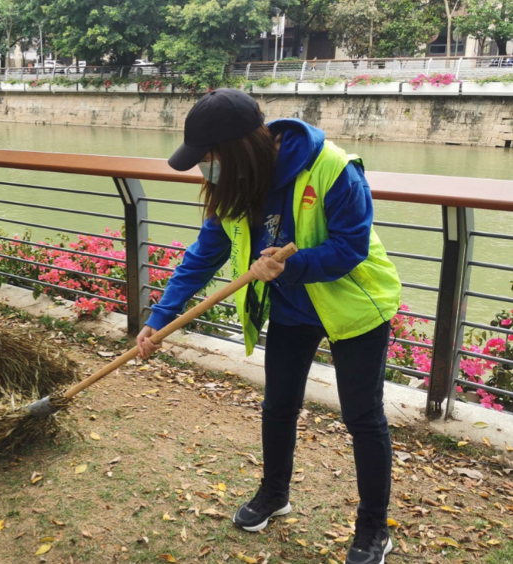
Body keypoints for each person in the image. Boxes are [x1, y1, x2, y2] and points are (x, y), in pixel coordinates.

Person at [136, 89, 401, 564]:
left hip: (356, 309)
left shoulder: (333, 169)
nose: (205, 169)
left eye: (210, 158)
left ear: (238, 150)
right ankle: (274, 495)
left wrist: (290, 268)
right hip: (292, 312)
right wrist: (159, 320)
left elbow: (352, 247)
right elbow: (202, 257)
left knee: (363, 417)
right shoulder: (235, 186)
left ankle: (373, 528)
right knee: (278, 405)